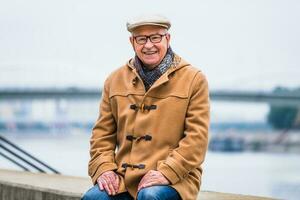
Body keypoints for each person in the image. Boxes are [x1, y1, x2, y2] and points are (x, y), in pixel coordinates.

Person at [82, 14, 210, 200]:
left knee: (150, 196)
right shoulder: (114, 80)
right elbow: (102, 135)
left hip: (176, 178)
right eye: (141, 39)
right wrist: (104, 169)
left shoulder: (194, 79)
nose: (148, 45)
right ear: (132, 42)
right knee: (94, 198)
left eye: (155, 37)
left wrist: (167, 171)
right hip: (124, 178)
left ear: (167, 39)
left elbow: (196, 140)